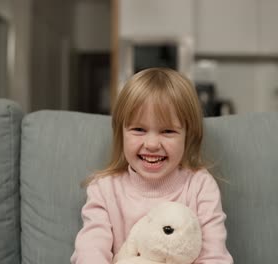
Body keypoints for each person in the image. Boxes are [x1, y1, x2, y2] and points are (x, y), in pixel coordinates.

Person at [71, 68, 233, 264]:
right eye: (139, 129)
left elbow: (214, 257)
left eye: (167, 131)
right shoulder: (104, 189)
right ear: (121, 133)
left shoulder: (200, 186)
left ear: (187, 136)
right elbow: (90, 251)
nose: (152, 144)